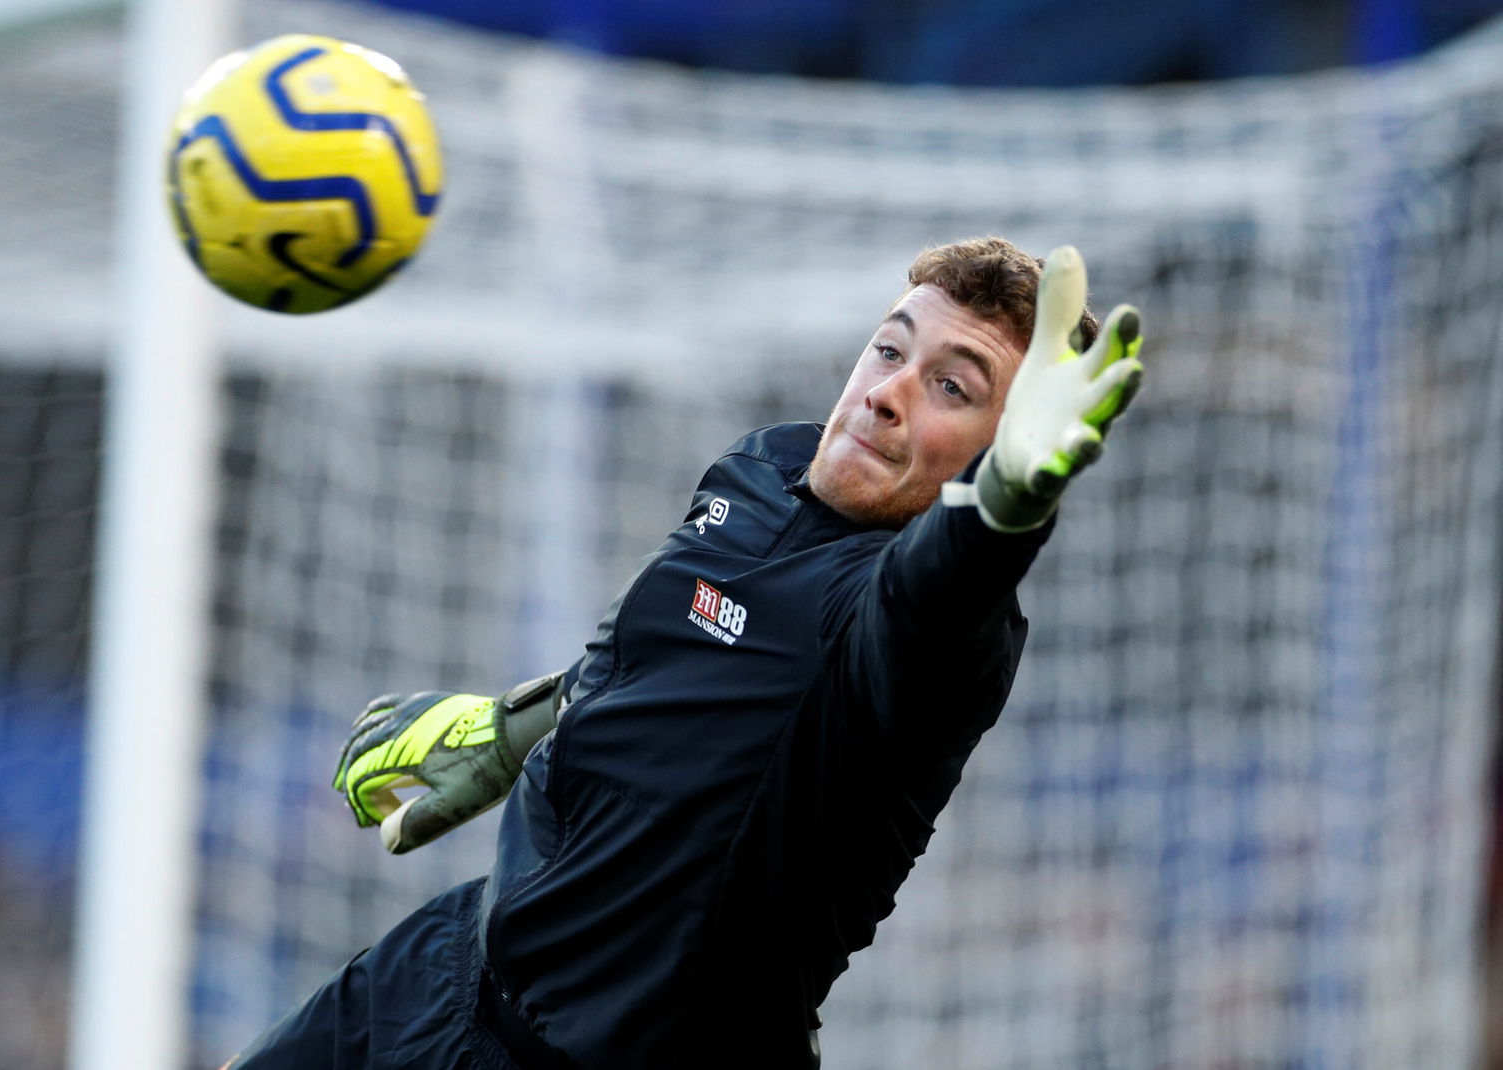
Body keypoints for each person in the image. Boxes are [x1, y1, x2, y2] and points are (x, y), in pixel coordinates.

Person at [225, 237, 1144, 1069]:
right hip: (447, 970)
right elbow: (655, 648)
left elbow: (944, 581)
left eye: (954, 387)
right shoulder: (762, 468)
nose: (888, 393)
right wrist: (515, 730)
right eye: (891, 349)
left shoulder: (923, 631)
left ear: (1001, 444)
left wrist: (1011, 498)